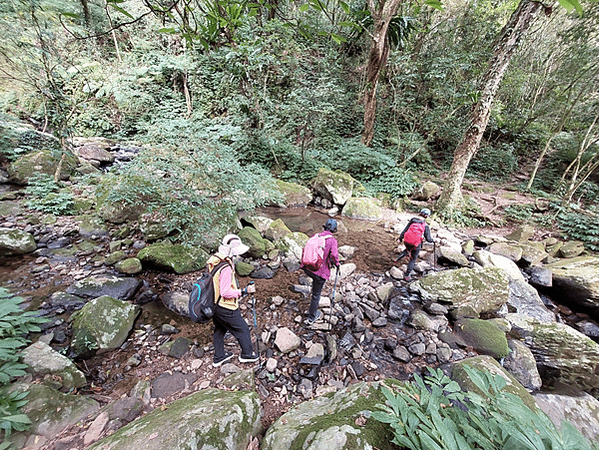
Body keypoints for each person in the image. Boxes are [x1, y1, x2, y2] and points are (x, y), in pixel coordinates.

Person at [207, 234, 259, 367]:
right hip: (226, 306)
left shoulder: (215, 260)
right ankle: (247, 355)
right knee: (243, 330)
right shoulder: (225, 268)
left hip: (214, 303)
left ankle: (219, 357)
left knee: (220, 329)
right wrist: (243, 291)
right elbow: (225, 292)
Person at [301, 218, 340, 325]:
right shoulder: (332, 241)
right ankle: (312, 317)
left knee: (314, 285)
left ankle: (311, 307)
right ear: (334, 230)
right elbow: (334, 255)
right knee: (316, 294)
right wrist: (337, 264)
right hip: (319, 272)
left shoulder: (316, 236)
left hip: (308, 268)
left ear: (325, 227)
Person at [395, 208, 434, 282]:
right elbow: (428, 239)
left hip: (407, 241)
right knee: (413, 259)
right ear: (427, 216)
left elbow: (405, 229)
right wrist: (432, 241)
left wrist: (400, 238)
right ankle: (406, 275)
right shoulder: (425, 226)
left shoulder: (413, 220)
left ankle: (397, 259)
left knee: (408, 249)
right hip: (415, 244)